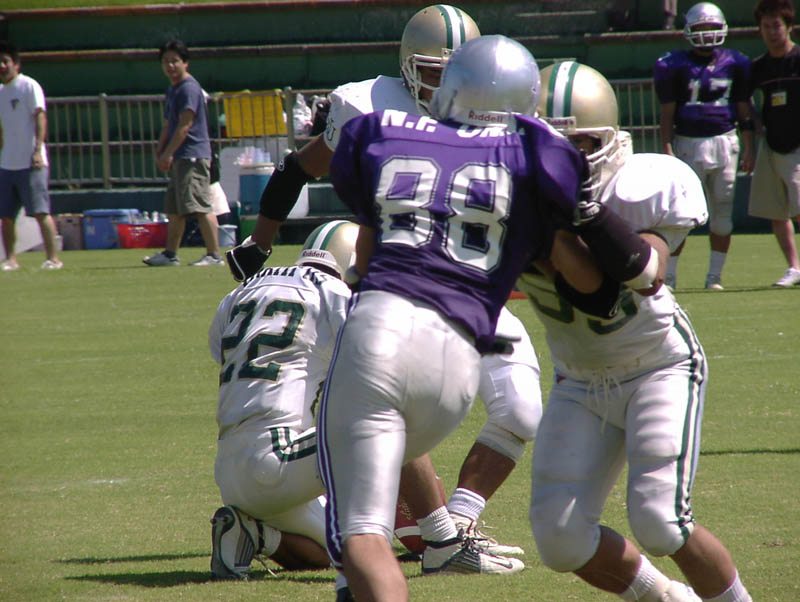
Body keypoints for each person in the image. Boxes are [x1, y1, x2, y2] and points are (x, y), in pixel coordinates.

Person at [317, 36, 667, 602]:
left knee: (363, 535)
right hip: (459, 358)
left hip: (381, 330)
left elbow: (366, 253)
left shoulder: (380, 130)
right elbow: (602, 287)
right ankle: (441, 534)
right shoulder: (534, 154)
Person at [227, 4, 534, 575]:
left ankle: (457, 526)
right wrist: (259, 243)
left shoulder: (495, 110)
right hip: (397, 286)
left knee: (520, 408)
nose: (443, 86)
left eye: (456, 71)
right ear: (408, 66)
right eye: (433, 71)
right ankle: (438, 538)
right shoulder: (367, 105)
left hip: (469, 287)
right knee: (391, 405)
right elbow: (299, 167)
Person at [527, 60, 752, 602]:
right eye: (553, 143)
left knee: (660, 521)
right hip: (578, 377)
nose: (567, 156)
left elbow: (647, 274)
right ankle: (667, 598)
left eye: (581, 142)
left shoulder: (639, 186)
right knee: (559, 538)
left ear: (610, 140)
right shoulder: (506, 197)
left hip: (657, 363)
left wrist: (585, 213)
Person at [209, 220, 358, 579]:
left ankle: (251, 533)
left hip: (229, 469)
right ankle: (443, 538)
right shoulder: (335, 293)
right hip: (278, 458)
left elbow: (219, 351)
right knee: (387, 419)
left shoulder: (241, 291)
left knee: (342, 550)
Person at [654, 2, 754, 291]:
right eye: (701, 28)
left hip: (725, 141)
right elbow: (667, 112)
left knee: (722, 214)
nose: (707, 33)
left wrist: (750, 146)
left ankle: (714, 277)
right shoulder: (674, 64)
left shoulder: (736, 62)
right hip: (687, 143)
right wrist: (666, 146)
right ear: (688, 31)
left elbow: (743, 108)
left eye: (712, 27)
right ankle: (669, 277)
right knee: (680, 215)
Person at [144, 39, 223, 267]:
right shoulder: (173, 89)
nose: (170, 66)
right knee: (175, 209)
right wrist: (160, 151)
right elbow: (168, 124)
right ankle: (170, 254)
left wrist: (168, 153)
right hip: (179, 155)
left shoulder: (188, 88)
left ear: (185, 63)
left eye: (175, 61)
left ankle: (214, 255)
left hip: (192, 155)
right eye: (165, 61)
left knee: (199, 205)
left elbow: (184, 125)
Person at [749, 0, 800, 287]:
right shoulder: (759, 67)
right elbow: (743, 100)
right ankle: (794, 268)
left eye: (776, 26)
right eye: (766, 26)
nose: (771, 32)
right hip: (771, 145)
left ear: (789, 27)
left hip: (798, 147)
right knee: (776, 211)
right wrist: (755, 123)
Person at [0, 41, 62, 271]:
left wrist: (37, 150)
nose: (2, 66)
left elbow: (40, 117)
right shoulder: (1, 93)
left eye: (5, 61)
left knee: (40, 211)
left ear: (16, 64)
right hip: (7, 164)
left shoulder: (29, 86)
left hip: (31, 163)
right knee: (6, 216)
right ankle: (11, 259)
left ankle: (53, 258)